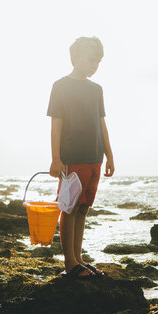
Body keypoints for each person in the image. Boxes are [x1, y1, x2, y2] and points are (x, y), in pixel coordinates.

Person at [47, 36, 115, 278]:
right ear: (75, 57)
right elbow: (57, 124)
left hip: (94, 157)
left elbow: (102, 124)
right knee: (70, 208)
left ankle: (78, 258)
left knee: (84, 207)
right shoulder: (61, 86)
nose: (94, 66)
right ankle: (70, 264)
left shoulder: (97, 90)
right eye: (90, 60)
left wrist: (109, 155)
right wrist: (56, 158)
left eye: (98, 62)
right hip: (72, 157)